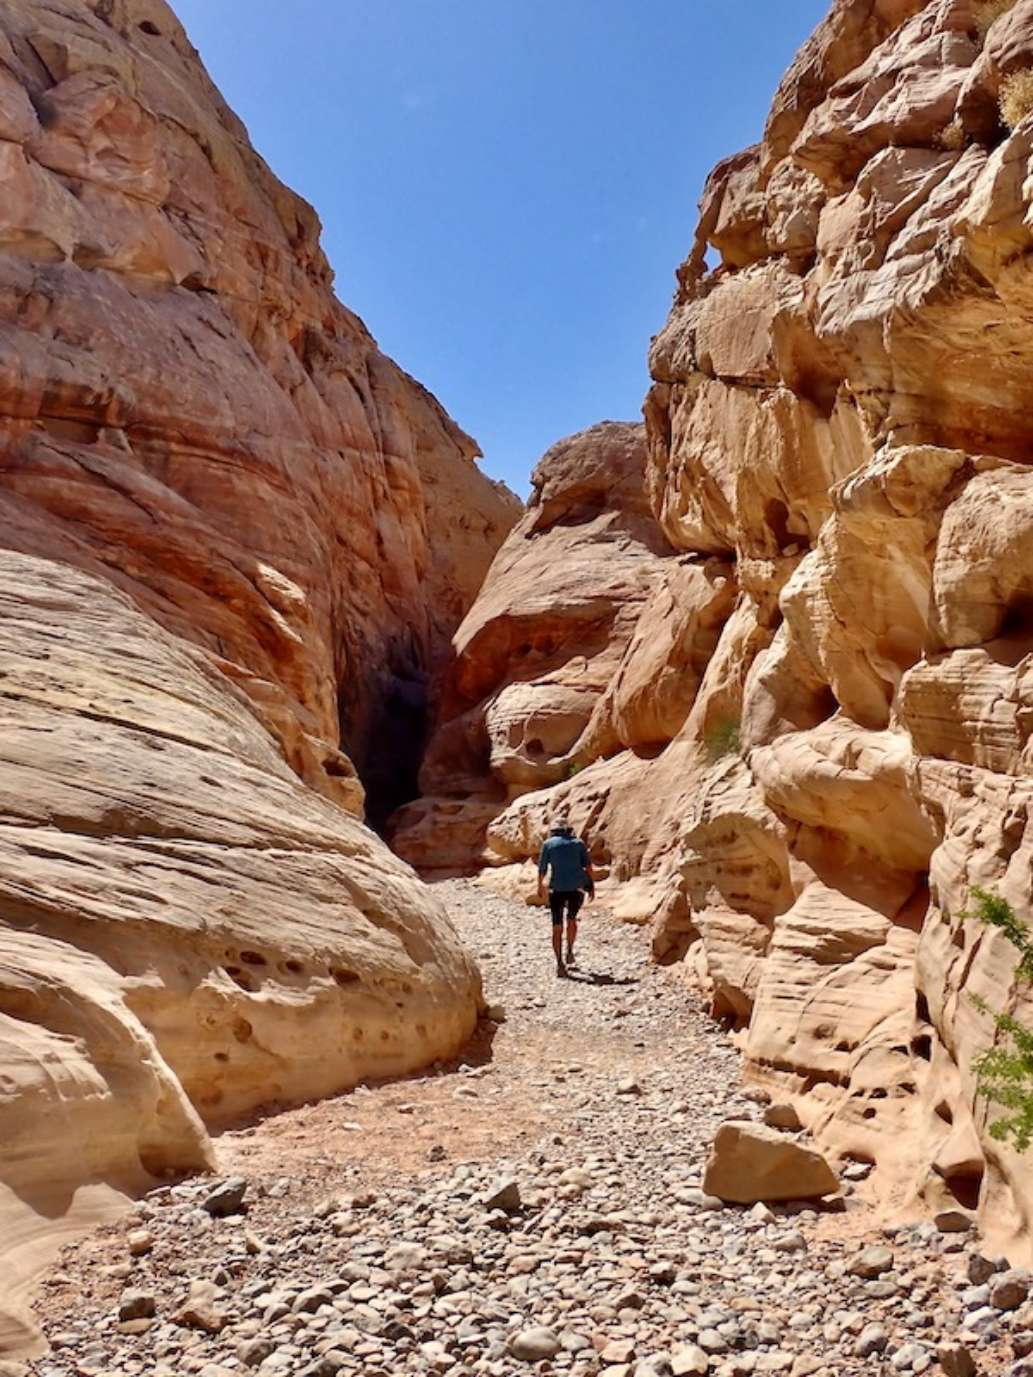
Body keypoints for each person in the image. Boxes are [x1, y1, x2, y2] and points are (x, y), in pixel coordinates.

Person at [537, 817, 595, 978]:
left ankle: (559, 964)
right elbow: (588, 866)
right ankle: (569, 950)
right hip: (576, 888)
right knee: (571, 919)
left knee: (557, 926)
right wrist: (592, 887)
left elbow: (542, 868)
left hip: (556, 889)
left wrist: (539, 887)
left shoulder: (548, 844)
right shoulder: (578, 843)